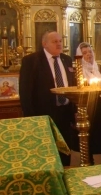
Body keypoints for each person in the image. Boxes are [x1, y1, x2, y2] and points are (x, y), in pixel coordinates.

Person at [19, 31, 76, 166]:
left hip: (65, 112)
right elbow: (25, 92)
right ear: (44, 44)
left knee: (65, 150)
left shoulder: (66, 59)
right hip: (43, 114)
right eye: (54, 41)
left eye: (60, 41)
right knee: (47, 151)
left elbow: (72, 85)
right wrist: (31, 118)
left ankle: (65, 174)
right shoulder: (31, 61)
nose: (59, 44)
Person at [76, 42, 101, 164]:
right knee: (89, 138)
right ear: (80, 56)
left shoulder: (99, 68)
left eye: (90, 51)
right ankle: (89, 163)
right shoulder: (78, 71)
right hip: (87, 109)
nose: (88, 55)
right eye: (84, 53)